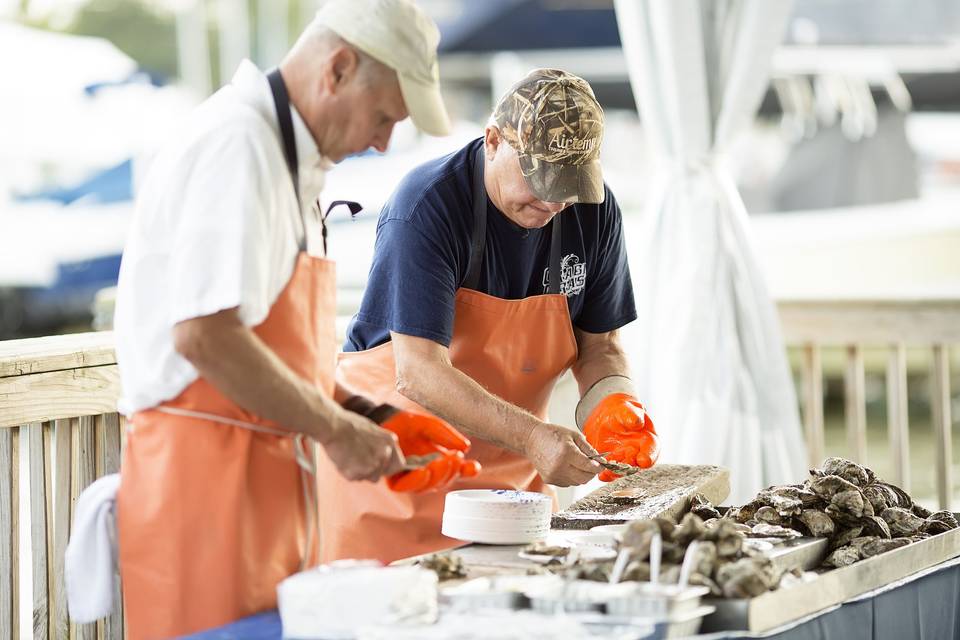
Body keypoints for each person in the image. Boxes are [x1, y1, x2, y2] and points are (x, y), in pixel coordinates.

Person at [111, 1, 475, 637]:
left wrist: (371, 416)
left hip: (266, 502)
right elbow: (206, 336)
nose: (385, 141)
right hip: (201, 503)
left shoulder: (290, 161)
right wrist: (336, 429)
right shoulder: (239, 144)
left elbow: (272, 348)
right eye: (386, 115)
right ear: (337, 69)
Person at [325, 69, 660, 564]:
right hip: (399, 485)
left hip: (512, 496)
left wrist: (614, 405)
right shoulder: (428, 206)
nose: (552, 201)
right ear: (494, 140)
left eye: (568, 185)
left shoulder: (594, 210)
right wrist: (532, 435)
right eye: (539, 178)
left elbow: (600, 346)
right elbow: (418, 371)